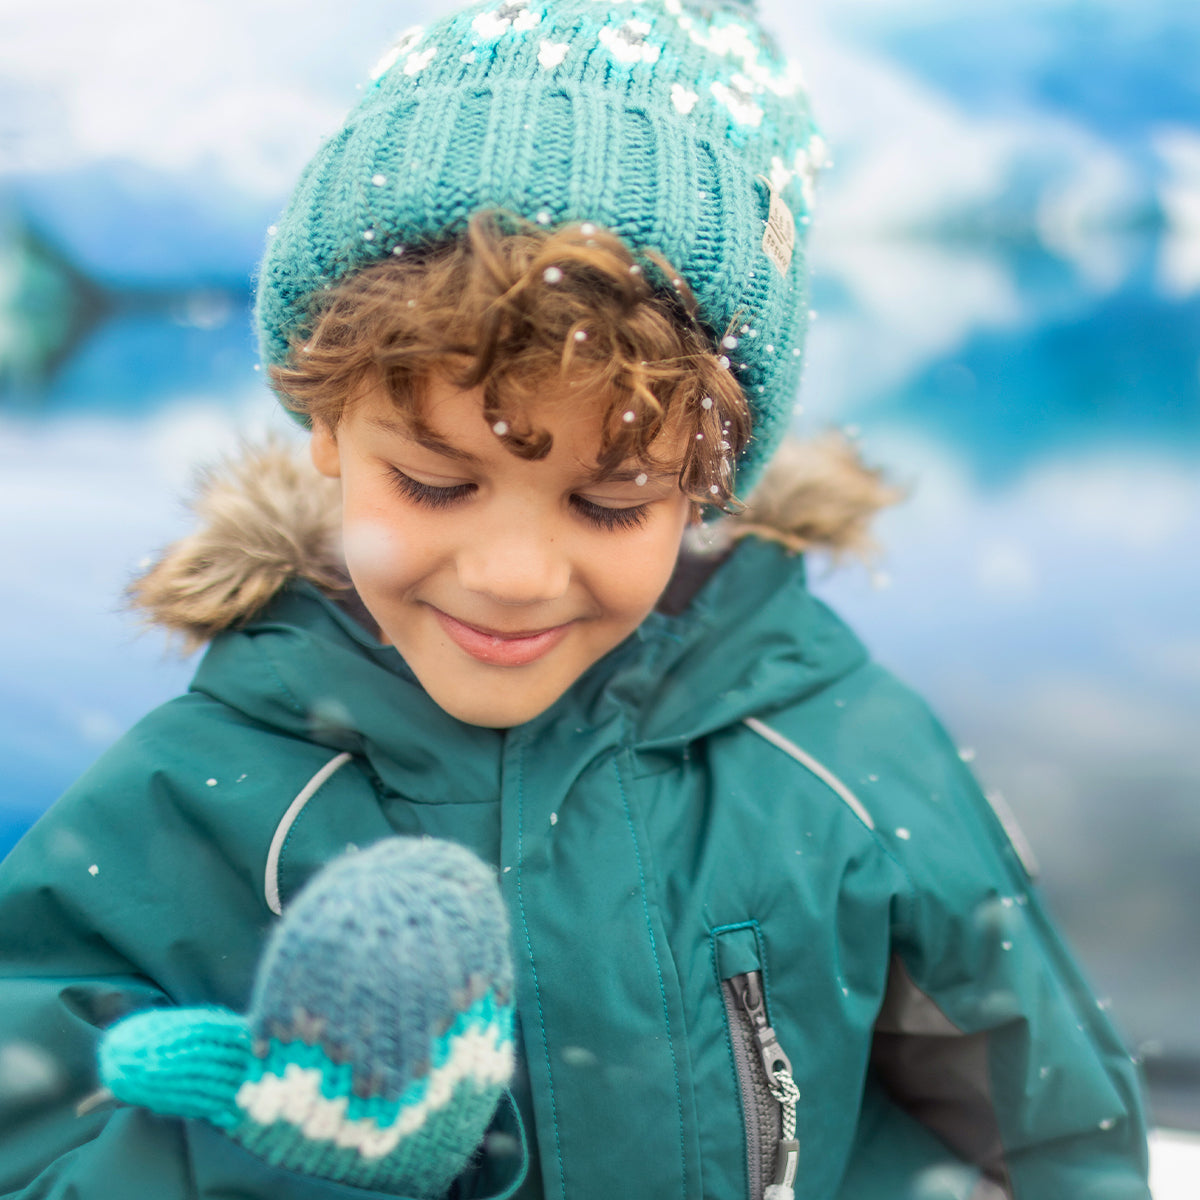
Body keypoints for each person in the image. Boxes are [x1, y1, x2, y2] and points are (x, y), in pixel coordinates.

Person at [0, 0, 1153, 1197]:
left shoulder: (845, 761)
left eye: (608, 505)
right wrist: (287, 1159)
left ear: (704, 491)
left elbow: (1055, 1142)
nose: (513, 574)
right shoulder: (198, 805)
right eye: (439, 481)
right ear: (328, 430)